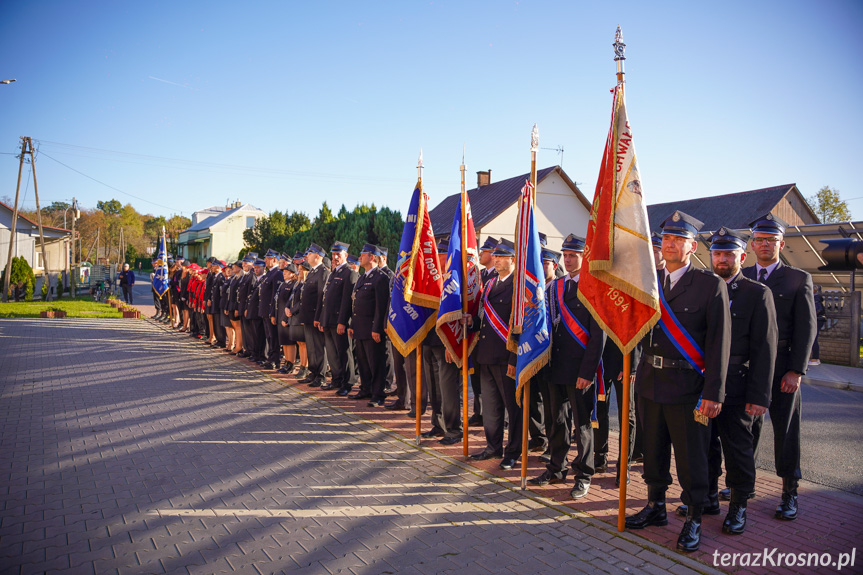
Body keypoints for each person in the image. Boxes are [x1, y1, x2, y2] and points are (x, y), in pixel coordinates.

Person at [625, 210, 730, 553]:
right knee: (652, 452)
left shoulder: (708, 285)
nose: (669, 244)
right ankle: (656, 506)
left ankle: (694, 516)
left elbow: (718, 345)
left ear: (692, 246)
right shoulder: (649, 281)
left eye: (678, 239)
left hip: (689, 388)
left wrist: (714, 392)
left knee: (691, 458)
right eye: (666, 238)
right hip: (651, 383)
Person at [673, 226, 776, 535]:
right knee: (703, 448)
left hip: (738, 385)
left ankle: (739, 505)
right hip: (702, 383)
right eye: (717, 253)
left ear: (742, 257)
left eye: (728, 254)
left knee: (738, 449)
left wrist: (760, 396)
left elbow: (765, 348)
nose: (721, 259)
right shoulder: (700, 287)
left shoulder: (758, 294)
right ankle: (705, 499)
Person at [742, 213, 816, 522]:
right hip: (748, 369)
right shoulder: (741, 275)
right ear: (752, 244)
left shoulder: (798, 278)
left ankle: (789, 492)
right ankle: (744, 484)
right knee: (745, 429)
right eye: (759, 240)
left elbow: (807, 328)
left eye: (770, 240)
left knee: (785, 431)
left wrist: (796, 371)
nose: (764, 245)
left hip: (783, 367)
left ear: (781, 244)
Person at [529, 234, 605, 500]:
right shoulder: (555, 287)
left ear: (585, 257)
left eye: (574, 255)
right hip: (555, 366)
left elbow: (598, 335)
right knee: (557, 420)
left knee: (583, 424)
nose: (569, 259)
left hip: (580, 369)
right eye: (566, 255)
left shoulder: (594, 286)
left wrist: (587, 371)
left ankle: (584, 474)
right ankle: (556, 467)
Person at [467, 238, 520, 470]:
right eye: (495, 256)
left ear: (513, 259)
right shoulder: (489, 283)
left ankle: (514, 451)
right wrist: (471, 322)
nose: (496, 260)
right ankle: (493, 446)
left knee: (513, 408)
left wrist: (514, 358)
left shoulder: (519, 286)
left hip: (506, 357)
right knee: (490, 406)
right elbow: (483, 319)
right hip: (486, 355)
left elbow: (521, 326)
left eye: (502, 256)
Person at [349, 244, 390, 407]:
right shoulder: (363, 277)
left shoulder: (380, 278)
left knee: (376, 362)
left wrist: (377, 328)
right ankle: (365, 388)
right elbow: (356, 303)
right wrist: (352, 323)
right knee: (363, 361)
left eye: (363, 254)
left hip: (372, 328)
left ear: (372, 257)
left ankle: (378, 394)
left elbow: (381, 306)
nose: (360, 257)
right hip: (360, 327)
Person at [320, 242, 358, 392]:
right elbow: (326, 299)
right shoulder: (334, 273)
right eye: (333, 254)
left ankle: (347, 383)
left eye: (338, 254)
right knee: (332, 353)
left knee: (343, 352)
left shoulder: (349, 273)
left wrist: (342, 322)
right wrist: (323, 319)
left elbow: (346, 301)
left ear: (346, 256)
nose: (335, 257)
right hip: (328, 320)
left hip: (339, 321)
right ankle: (336, 379)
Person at [301, 243, 330, 387]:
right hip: (308, 316)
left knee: (318, 346)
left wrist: (318, 317)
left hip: (315, 316)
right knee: (311, 346)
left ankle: (321, 375)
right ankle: (313, 371)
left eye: (309, 254)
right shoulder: (312, 272)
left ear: (317, 256)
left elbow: (321, 296)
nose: (307, 256)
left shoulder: (323, 272)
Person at [277, 263, 299, 373]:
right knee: (284, 342)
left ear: (292, 274)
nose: (284, 274)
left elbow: (290, 303)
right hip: (281, 316)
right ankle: (286, 361)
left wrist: (285, 318)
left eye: (286, 272)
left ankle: (291, 364)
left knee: (289, 342)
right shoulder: (283, 284)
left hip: (287, 317)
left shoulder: (294, 285)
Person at [810, 284, 825, 366]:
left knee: (813, 338)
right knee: (813, 338)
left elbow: (818, 309)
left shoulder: (815, 298)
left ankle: (815, 359)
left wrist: (812, 316)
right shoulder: (816, 297)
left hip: (817, 319)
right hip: (819, 319)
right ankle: (815, 358)